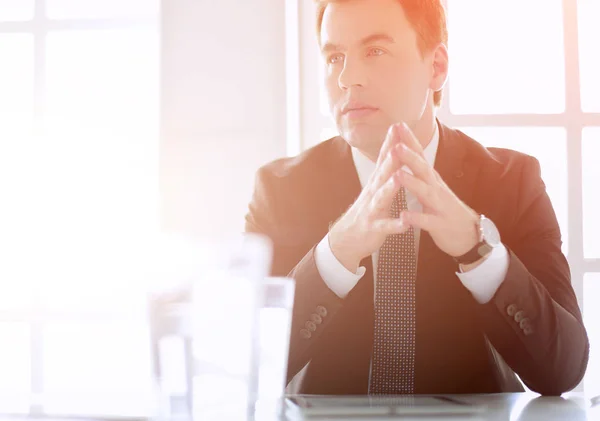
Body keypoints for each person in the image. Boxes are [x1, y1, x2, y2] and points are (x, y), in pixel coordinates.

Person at [245, 0, 589, 395]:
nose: (347, 77)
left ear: (436, 67)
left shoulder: (512, 182)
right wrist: (334, 255)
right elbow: (247, 368)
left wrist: (479, 253)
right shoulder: (280, 189)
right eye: (334, 56)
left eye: (375, 51)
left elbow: (562, 369)